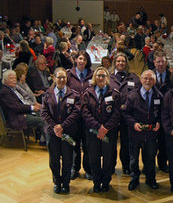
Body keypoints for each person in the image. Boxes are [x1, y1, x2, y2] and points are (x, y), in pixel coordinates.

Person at [41, 67, 81, 194]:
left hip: (68, 131)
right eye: (59, 77)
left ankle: (66, 183)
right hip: (52, 133)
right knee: (54, 159)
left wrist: (62, 126)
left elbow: (76, 113)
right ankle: (57, 182)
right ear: (54, 78)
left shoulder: (74, 95)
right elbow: (44, 113)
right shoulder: (47, 94)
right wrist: (55, 127)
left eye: (64, 77)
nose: (62, 80)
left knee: (68, 158)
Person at [81, 67, 121, 193]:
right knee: (94, 158)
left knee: (109, 158)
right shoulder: (87, 93)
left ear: (107, 78)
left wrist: (106, 128)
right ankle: (96, 182)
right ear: (94, 77)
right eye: (98, 75)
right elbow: (85, 112)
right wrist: (98, 127)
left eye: (103, 76)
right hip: (93, 132)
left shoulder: (114, 94)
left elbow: (117, 113)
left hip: (110, 132)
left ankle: (106, 182)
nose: (101, 78)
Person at [123, 70, 162, 191]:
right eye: (145, 78)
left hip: (151, 133)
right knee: (134, 158)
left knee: (150, 157)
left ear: (154, 81)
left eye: (151, 79)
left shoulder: (159, 96)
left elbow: (162, 113)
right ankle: (134, 178)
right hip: (135, 133)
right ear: (141, 80)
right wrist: (133, 123)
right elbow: (126, 113)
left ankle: (151, 179)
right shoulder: (132, 96)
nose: (148, 81)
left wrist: (159, 122)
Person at [110, 53, 141, 175]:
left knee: (126, 143)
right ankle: (110, 166)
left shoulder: (133, 78)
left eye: (123, 61)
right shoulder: (109, 77)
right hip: (111, 116)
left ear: (126, 63)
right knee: (111, 143)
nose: (121, 63)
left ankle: (126, 166)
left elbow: (138, 96)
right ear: (115, 63)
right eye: (118, 61)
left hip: (128, 117)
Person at [0, 70, 44, 147]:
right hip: (16, 117)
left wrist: (34, 106)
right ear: (5, 80)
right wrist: (32, 108)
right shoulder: (5, 92)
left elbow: (23, 101)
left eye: (15, 78)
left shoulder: (13, 88)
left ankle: (43, 139)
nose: (14, 80)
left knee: (44, 115)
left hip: (23, 112)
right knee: (42, 120)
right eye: (11, 78)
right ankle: (49, 144)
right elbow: (16, 107)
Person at [67, 51, 94, 180]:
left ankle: (89, 169)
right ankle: (74, 168)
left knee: (88, 144)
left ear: (87, 61)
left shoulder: (92, 75)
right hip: (73, 115)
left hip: (88, 115)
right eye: (79, 58)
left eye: (84, 59)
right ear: (76, 60)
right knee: (74, 143)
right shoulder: (69, 75)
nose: (81, 61)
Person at [152, 51, 173, 173]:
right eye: (158, 61)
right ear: (154, 62)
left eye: (163, 61)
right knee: (150, 142)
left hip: (167, 114)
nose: (160, 64)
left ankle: (163, 163)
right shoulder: (149, 75)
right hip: (151, 113)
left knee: (165, 141)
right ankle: (149, 164)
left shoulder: (172, 77)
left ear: (166, 62)